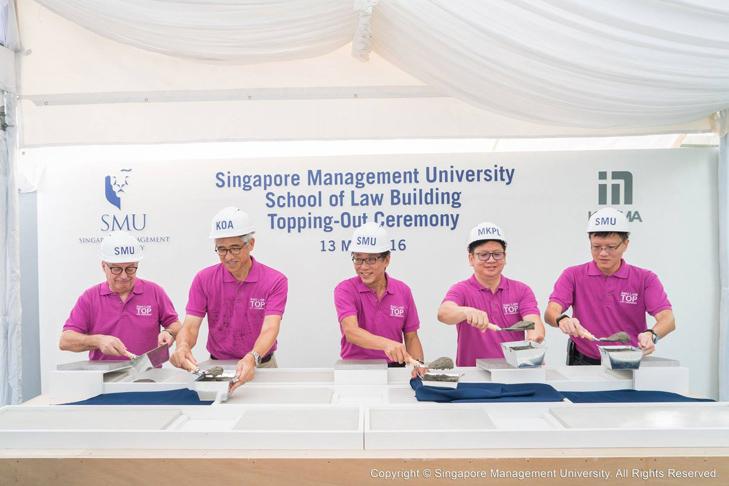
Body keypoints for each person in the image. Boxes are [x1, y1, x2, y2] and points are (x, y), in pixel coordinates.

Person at [171, 207, 288, 392]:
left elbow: (270, 328)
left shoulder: (274, 280)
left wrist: (252, 358)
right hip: (218, 366)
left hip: (261, 364)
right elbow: (191, 326)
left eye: (234, 248)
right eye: (221, 249)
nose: (228, 257)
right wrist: (182, 346)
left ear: (251, 244)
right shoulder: (204, 279)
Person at [544, 207, 676, 365]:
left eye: (611, 247)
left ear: (625, 244)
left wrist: (651, 334)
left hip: (629, 361)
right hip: (584, 360)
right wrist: (562, 319)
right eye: (596, 246)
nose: (603, 253)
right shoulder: (572, 275)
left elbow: (668, 319)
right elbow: (551, 312)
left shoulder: (645, 279)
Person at [60, 231, 181, 360]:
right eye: (116, 269)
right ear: (103, 266)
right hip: (103, 377)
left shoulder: (155, 291)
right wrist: (98, 341)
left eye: (130, 268)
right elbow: (65, 341)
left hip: (148, 377)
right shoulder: (90, 297)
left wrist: (169, 333)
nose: (124, 276)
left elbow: (176, 325)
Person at [437, 222, 545, 366]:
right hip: (474, 376)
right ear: (471, 259)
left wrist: (532, 341)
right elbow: (444, 313)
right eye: (483, 255)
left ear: (505, 257)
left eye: (497, 254)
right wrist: (466, 311)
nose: (491, 260)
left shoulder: (521, 290)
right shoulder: (461, 289)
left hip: (514, 373)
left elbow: (534, 324)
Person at [334, 222, 424, 367]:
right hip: (355, 369)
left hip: (394, 368)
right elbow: (351, 331)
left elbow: (411, 337)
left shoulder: (403, 290)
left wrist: (419, 366)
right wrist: (386, 344)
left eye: (371, 259)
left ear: (387, 259)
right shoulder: (345, 289)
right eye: (358, 259)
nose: (363, 267)